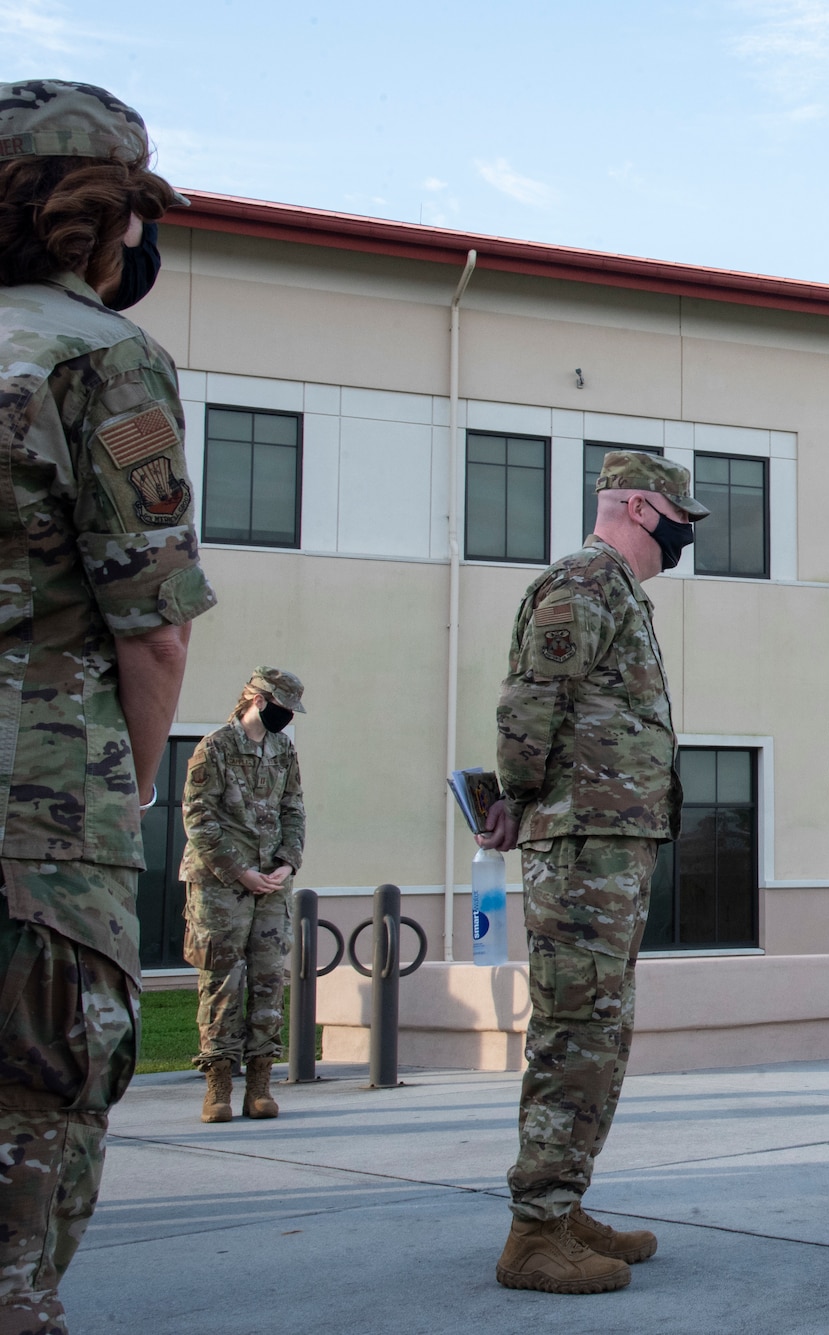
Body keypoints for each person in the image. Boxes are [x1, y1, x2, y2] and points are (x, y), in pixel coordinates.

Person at [0, 80, 216, 1333]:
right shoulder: (103, 357)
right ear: (105, 219)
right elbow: (157, 633)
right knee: (32, 1140)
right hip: (36, 828)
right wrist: (123, 792)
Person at [476, 451, 705, 1293]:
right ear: (642, 509)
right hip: (578, 843)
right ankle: (534, 1230)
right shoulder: (584, 580)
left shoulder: (619, 594)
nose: (686, 532)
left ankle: (563, 1203)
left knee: (600, 1029)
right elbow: (530, 701)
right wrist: (517, 795)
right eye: (681, 516)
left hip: (609, 842)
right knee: (576, 1026)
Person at [179, 668, 308, 1123]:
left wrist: (287, 863)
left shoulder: (283, 749)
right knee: (222, 982)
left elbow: (293, 809)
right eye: (281, 707)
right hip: (220, 885)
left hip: (272, 884)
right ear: (257, 699)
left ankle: (260, 1084)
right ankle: (218, 1085)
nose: (286, 717)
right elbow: (198, 817)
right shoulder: (213, 748)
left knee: (269, 979)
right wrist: (240, 871)